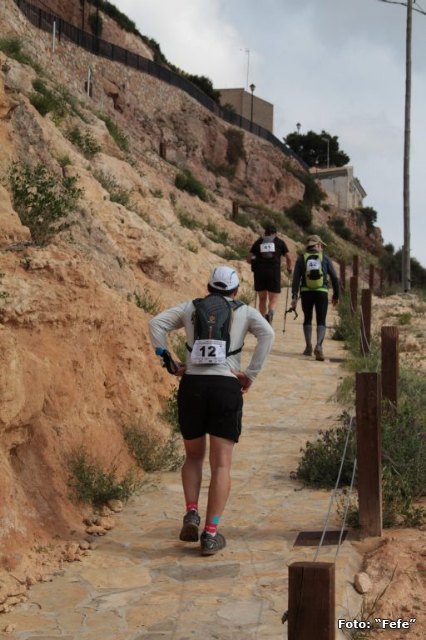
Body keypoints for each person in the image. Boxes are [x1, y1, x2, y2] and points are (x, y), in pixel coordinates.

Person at [149, 266, 274, 556]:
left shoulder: (191, 307)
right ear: (235, 290)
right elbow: (267, 334)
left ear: (208, 287)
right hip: (225, 387)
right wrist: (251, 374)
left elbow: (156, 324)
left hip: (192, 385)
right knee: (221, 465)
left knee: (193, 457)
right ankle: (211, 533)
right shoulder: (245, 311)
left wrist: (168, 360)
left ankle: (191, 512)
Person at [291, 234, 339, 361]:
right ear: (317, 245)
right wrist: (336, 295)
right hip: (322, 292)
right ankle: (319, 346)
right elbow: (334, 277)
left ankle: (308, 347)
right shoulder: (325, 258)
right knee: (321, 320)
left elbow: (296, 279)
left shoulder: (301, 259)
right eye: (321, 245)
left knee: (307, 318)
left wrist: (294, 296)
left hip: (306, 292)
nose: (322, 248)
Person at [247, 223, 292, 324]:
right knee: (274, 297)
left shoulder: (259, 242)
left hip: (259, 273)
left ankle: (263, 320)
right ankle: (270, 313)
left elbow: (249, 258)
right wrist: (289, 268)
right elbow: (289, 257)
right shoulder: (279, 242)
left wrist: (256, 259)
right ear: (275, 233)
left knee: (262, 299)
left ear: (265, 233)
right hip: (273, 272)